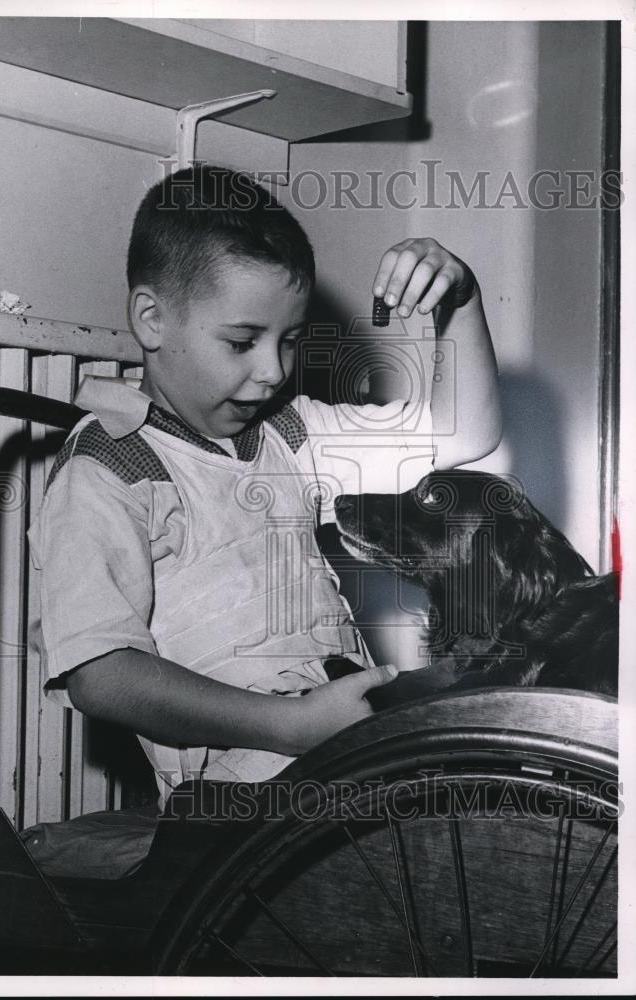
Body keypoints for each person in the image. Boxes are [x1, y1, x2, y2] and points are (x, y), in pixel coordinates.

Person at [27, 165, 501, 808]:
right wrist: (291, 727)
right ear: (152, 319)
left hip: (345, 758)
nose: (273, 370)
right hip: (234, 799)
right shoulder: (107, 465)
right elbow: (100, 677)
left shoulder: (290, 432)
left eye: (289, 341)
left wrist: (462, 301)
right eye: (244, 341)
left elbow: (463, 432)